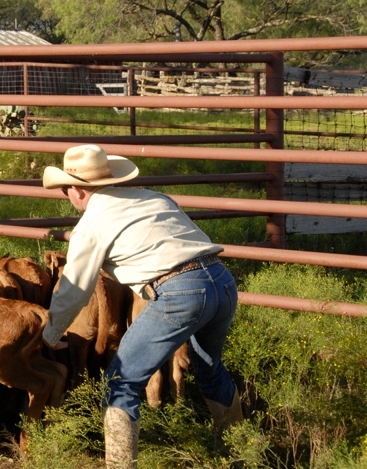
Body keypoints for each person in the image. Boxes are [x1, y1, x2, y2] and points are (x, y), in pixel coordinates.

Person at [41, 144, 241, 468]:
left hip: (178, 293)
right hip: (221, 281)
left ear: (76, 189)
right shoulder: (152, 198)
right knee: (209, 369)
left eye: (66, 189)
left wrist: (50, 332)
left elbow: (74, 288)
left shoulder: (93, 223)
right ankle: (241, 455)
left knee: (121, 380)